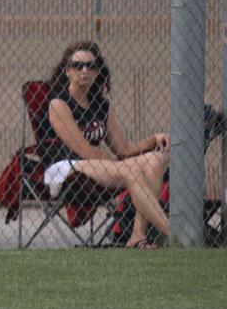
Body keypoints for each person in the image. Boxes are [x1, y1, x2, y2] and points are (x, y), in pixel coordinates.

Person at [37, 41, 170, 248]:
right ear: (68, 71)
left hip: (100, 167)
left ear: (97, 72)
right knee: (132, 172)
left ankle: (138, 234)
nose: (84, 70)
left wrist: (153, 140)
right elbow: (83, 150)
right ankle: (174, 234)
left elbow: (123, 151)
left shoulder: (102, 106)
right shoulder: (59, 104)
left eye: (91, 66)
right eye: (78, 65)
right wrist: (121, 165)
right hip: (67, 168)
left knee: (156, 159)